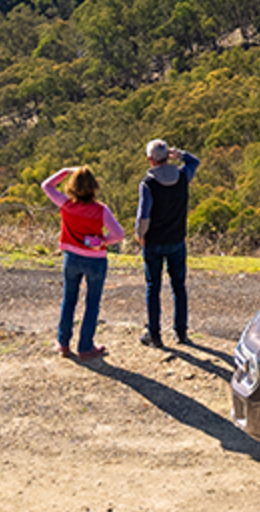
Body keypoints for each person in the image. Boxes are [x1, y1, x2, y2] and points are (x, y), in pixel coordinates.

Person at [42, 165, 120, 360]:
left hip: (72, 258)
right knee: (92, 303)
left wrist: (66, 171)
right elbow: (119, 234)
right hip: (95, 260)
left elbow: (46, 186)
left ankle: (63, 342)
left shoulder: (65, 204)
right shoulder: (101, 210)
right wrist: (103, 241)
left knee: (69, 300)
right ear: (94, 187)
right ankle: (85, 347)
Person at [135, 138, 200, 346]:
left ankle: (154, 334)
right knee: (178, 286)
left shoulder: (148, 184)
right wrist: (179, 153)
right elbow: (194, 161)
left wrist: (140, 235)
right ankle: (181, 332)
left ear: (149, 160)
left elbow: (143, 216)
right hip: (176, 239)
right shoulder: (182, 176)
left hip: (154, 241)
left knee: (153, 287)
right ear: (166, 156)